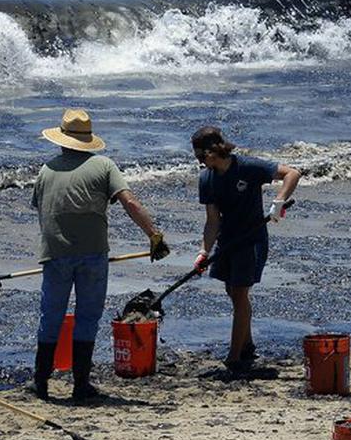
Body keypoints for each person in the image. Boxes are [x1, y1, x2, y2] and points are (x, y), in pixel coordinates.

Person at [30, 108, 169, 402]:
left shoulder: (46, 169)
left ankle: (40, 383)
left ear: (62, 140)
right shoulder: (104, 166)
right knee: (87, 317)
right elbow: (129, 202)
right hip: (93, 253)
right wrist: (153, 235)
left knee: (51, 316)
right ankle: (81, 385)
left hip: (54, 253)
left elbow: (41, 209)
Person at [191, 126, 301, 372]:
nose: (200, 162)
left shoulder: (248, 167)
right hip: (227, 241)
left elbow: (292, 174)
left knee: (240, 294)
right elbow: (212, 221)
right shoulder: (206, 179)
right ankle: (247, 343)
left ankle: (234, 356)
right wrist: (203, 252)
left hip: (251, 239)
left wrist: (278, 202)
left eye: (201, 156)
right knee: (232, 291)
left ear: (213, 152)